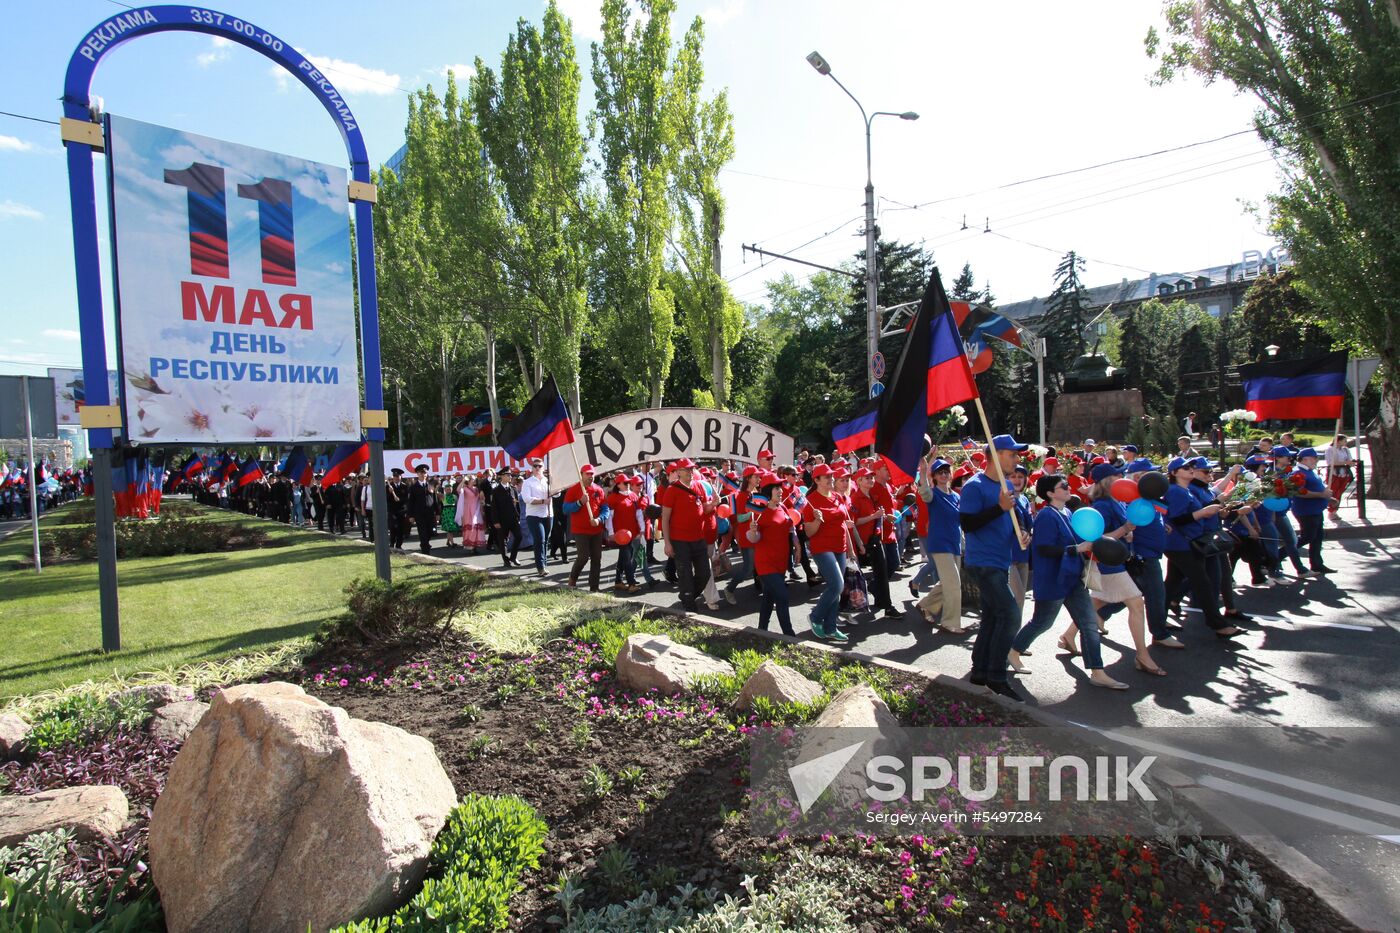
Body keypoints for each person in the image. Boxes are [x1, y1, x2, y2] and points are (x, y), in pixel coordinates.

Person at [1009, 474, 1128, 689]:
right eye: (1062, 486)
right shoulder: (1046, 515)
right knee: (1042, 622)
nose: (1067, 487)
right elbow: (1043, 548)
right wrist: (1077, 548)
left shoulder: (1068, 512)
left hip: (1072, 578)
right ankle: (1013, 651)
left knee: (1089, 624)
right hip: (1054, 579)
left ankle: (1097, 671)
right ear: (1050, 493)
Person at [1061, 462, 1165, 676]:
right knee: (1136, 603)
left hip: (1116, 561)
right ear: (1107, 480)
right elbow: (1096, 538)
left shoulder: (1117, 501)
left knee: (1097, 602)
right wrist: (1124, 530)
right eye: (1118, 475)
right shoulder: (1103, 505)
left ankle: (1068, 635)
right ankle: (1142, 655)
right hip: (1108, 563)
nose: (1123, 478)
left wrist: (1127, 534)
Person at [959, 435, 1034, 702]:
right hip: (983, 562)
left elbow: (1011, 523)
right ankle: (996, 677)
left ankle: (980, 672)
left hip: (1000, 561)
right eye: (1012, 454)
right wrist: (999, 507)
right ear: (996, 454)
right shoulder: (974, 486)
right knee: (1010, 615)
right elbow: (967, 524)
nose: (1017, 459)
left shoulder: (1007, 488)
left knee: (993, 617)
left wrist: (1022, 535)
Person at [1162, 457, 1245, 640]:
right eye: (1185, 467)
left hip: (1186, 542)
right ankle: (1218, 624)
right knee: (1202, 582)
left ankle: (1158, 619)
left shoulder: (1185, 490)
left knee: (1173, 583)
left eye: (1190, 466)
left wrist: (1215, 510)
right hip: (1180, 544)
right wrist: (1203, 512)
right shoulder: (1177, 491)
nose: (1190, 469)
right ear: (1174, 473)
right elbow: (1177, 519)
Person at [802, 463, 854, 642]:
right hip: (822, 548)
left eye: (831, 476)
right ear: (816, 480)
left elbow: (843, 522)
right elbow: (809, 532)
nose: (831, 479)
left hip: (840, 546)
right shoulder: (810, 502)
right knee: (837, 585)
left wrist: (851, 547)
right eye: (827, 477)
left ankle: (831, 627)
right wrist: (817, 520)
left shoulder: (838, 497)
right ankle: (815, 617)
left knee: (835, 589)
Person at [915, 458, 965, 633]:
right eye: (940, 473)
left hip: (955, 543)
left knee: (948, 582)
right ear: (934, 476)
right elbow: (925, 493)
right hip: (940, 543)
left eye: (946, 472)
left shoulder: (957, 496)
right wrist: (923, 472)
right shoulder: (933, 494)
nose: (944, 475)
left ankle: (926, 605)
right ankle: (950, 622)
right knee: (953, 584)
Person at [661, 458, 715, 611]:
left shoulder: (698, 486)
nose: (691, 472)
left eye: (692, 469)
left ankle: (687, 596)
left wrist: (714, 504)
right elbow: (665, 518)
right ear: (678, 472)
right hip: (680, 541)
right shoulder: (672, 490)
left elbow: (705, 508)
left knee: (704, 574)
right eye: (687, 469)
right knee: (685, 576)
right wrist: (667, 543)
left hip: (699, 539)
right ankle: (690, 606)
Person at [747, 475, 796, 636]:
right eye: (776, 488)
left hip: (781, 561)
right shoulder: (760, 512)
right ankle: (789, 635)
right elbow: (754, 539)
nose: (781, 491)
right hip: (766, 563)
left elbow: (790, 529)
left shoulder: (783, 507)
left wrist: (798, 546)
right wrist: (752, 531)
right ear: (768, 491)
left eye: (781, 488)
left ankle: (761, 631)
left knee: (768, 597)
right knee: (782, 595)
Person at [1290, 447, 1335, 574]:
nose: (1317, 460)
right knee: (1307, 537)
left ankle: (1317, 564)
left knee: (1317, 537)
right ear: (1305, 459)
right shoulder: (1298, 472)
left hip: (1315, 509)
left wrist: (1328, 498)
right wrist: (1321, 495)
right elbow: (1299, 492)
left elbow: (1318, 488)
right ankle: (1279, 555)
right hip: (1306, 510)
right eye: (1315, 458)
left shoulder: (1310, 471)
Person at [564, 464, 607, 591]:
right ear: (581, 475)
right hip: (580, 530)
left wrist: (599, 519)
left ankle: (594, 587)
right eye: (587, 474)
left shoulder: (598, 490)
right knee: (583, 557)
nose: (590, 476)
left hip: (596, 530)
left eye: (592, 474)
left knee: (597, 558)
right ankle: (573, 578)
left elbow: (605, 508)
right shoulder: (573, 490)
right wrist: (579, 502)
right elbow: (565, 509)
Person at [723, 466, 762, 604]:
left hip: (757, 535)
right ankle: (729, 589)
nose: (758, 478)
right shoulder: (742, 496)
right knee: (748, 568)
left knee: (761, 565)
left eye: (758, 476)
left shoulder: (755, 493)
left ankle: (766, 591)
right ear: (748, 479)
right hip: (747, 536)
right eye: (756, 476)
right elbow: (739, 518)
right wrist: (754, 512)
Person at [606, 473, 642, 591]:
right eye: (625, 483)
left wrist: (641, 529)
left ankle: (618, 581)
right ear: (618, 484)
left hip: (633, 531)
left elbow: (639, 514)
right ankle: (631, 584)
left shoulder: (633, 496)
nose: (628, 485)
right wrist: (611, 532)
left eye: (629, 483)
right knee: (627, 558)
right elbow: (609, 517)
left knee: (624, 557)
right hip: (620, 534)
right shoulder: (612, 498)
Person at [1008, 465, 1033, 619]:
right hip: (1008, 555)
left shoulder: (1024, 499)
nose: (1017, 480)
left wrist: (1029, 533)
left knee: (1021, 599)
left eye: (1020, 477)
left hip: (1024, 554)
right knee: (1015, 598)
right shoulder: (1004, 499)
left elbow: (1029, 525)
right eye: (1013, 476)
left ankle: (1014, 637)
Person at [520, 460, 551, 576]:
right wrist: (543, 501)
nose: (537, 468)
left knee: (546, 540)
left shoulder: (548, 481)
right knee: (539, 539)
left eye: (540, 466)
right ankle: (540, 567)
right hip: (534, 515)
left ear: (543, 468)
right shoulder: (528, 482)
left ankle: (544, 565)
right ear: (532, 468)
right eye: (535, 466)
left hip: (548, 514)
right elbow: (527, 499)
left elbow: (557, 494)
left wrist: (555, 485)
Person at [491, 473, 521, 567]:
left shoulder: (513, 488)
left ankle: (513, 556)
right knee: (502, 540)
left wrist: (518, 516)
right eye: (507, 475)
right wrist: (495, 521)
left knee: (519, 536)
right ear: (502, 477)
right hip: (502, 519)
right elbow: (494, 507)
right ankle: (506, 559)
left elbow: (517, 504)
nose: (510, 477)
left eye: (510, 475)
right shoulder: (496, 490)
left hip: (513, 518)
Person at [408, 464, 437, 553]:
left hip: (430, 513)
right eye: (421, 472)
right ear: (417, 474)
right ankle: (425, 549)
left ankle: (425, 543)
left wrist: (438, 512)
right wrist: (411, 516)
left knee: (431, 531)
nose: (423, 474)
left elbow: (435, 499)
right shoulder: (413, 487)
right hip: (419, 514)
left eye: (425, 473)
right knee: (422, 532)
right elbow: (411, 502)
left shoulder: (430, 485)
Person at [1324, 435, 1352, 520]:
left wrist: (1349, 462)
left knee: (1340, 492)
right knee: (1334, 491)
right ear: (1338, 441)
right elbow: (1330, 462)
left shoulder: (1345, 449)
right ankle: (1331, 511)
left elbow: (1349, 460)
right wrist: (1345, 462)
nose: (1345, 442)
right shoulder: (1330, 449)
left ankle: (1335, 511)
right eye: (1344, 440)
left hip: (1344, 473)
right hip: (1334, 473)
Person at [386, 468, 408, 549]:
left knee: (401, 529)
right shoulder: (389, 486)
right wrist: (389, 492)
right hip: (392, 510)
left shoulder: (404, 486)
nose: (396, 478)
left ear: (400, 477)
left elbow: (406, 498)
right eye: (394, 476)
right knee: (393, 527)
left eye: (397, 476)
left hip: (401, 510)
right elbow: (386, 499)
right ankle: (392, 543)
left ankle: (399, 545)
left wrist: (399, 499)